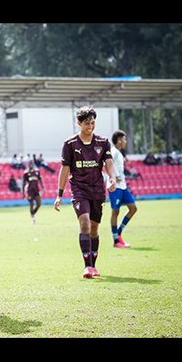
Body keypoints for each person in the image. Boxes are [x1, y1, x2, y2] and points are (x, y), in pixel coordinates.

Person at [54, 105, 116, 278]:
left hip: (97, 190)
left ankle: (93, 265)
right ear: (79, 123)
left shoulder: (103, 142)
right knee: (85, 223)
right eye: (87, 123)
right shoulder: (70, 144)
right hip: (79, 189)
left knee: (94, 229)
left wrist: (112, 178)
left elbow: (109, 163)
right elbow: (65, 169)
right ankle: (87, 266)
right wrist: (59, 194)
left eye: (93, 123)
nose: (90, 126)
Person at [109, 130, 137, 247]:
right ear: (119, 140)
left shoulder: (119, 153)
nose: (125, 141)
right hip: (115, 187)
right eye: (124, 139)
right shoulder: (113, 152)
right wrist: (113, 178)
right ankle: (116, 241)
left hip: (123, 186)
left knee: (133, 208)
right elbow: (104, 165)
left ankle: (119, 232)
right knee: (115, 211)